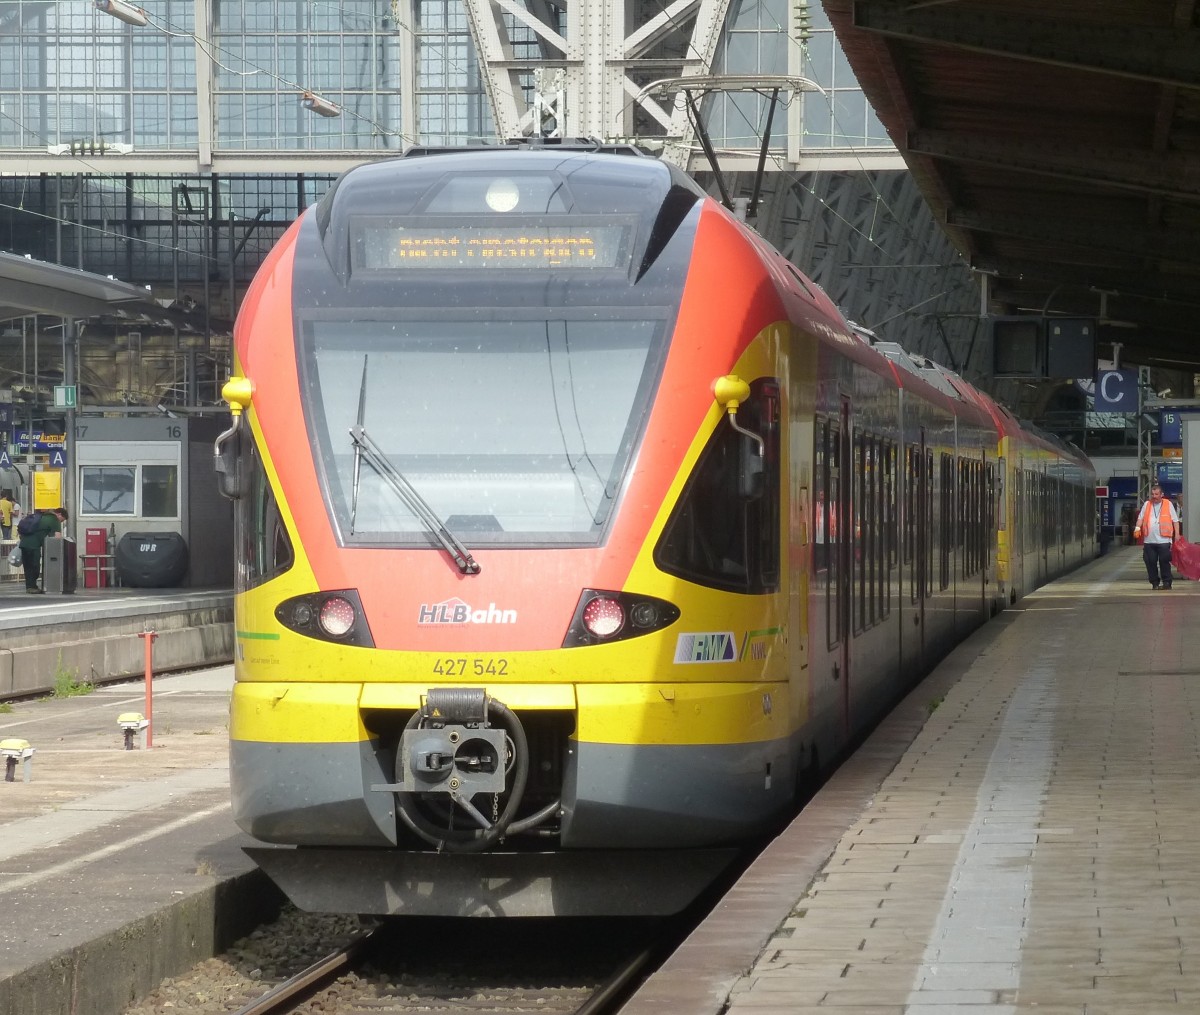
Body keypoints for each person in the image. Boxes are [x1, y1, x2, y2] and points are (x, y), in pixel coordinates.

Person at [1133, 484, 1180, 590]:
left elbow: (1175, 520)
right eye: (1152, 494)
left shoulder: (1168, 504)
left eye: (1156, 494)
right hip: (1149, 540)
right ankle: (1154, 582)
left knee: (1164, 561)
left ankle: (1167, 582)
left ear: (1162, 494)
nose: (1154, 496)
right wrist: (1137, 528)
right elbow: (1140, 518)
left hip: (1164, 540)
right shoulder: (1147, 504)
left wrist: (1177, 534)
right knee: (1150, 562)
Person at [19, 506, 67, 594]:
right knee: (35, 567)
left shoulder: (41, 516)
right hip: (33, 546)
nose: (61, 522)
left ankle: (30, 587)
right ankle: (31, 587)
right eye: (62, 520)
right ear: (59, 514)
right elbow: (57, 537)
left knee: (28, 567)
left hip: (24, 544)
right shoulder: (54, 520)